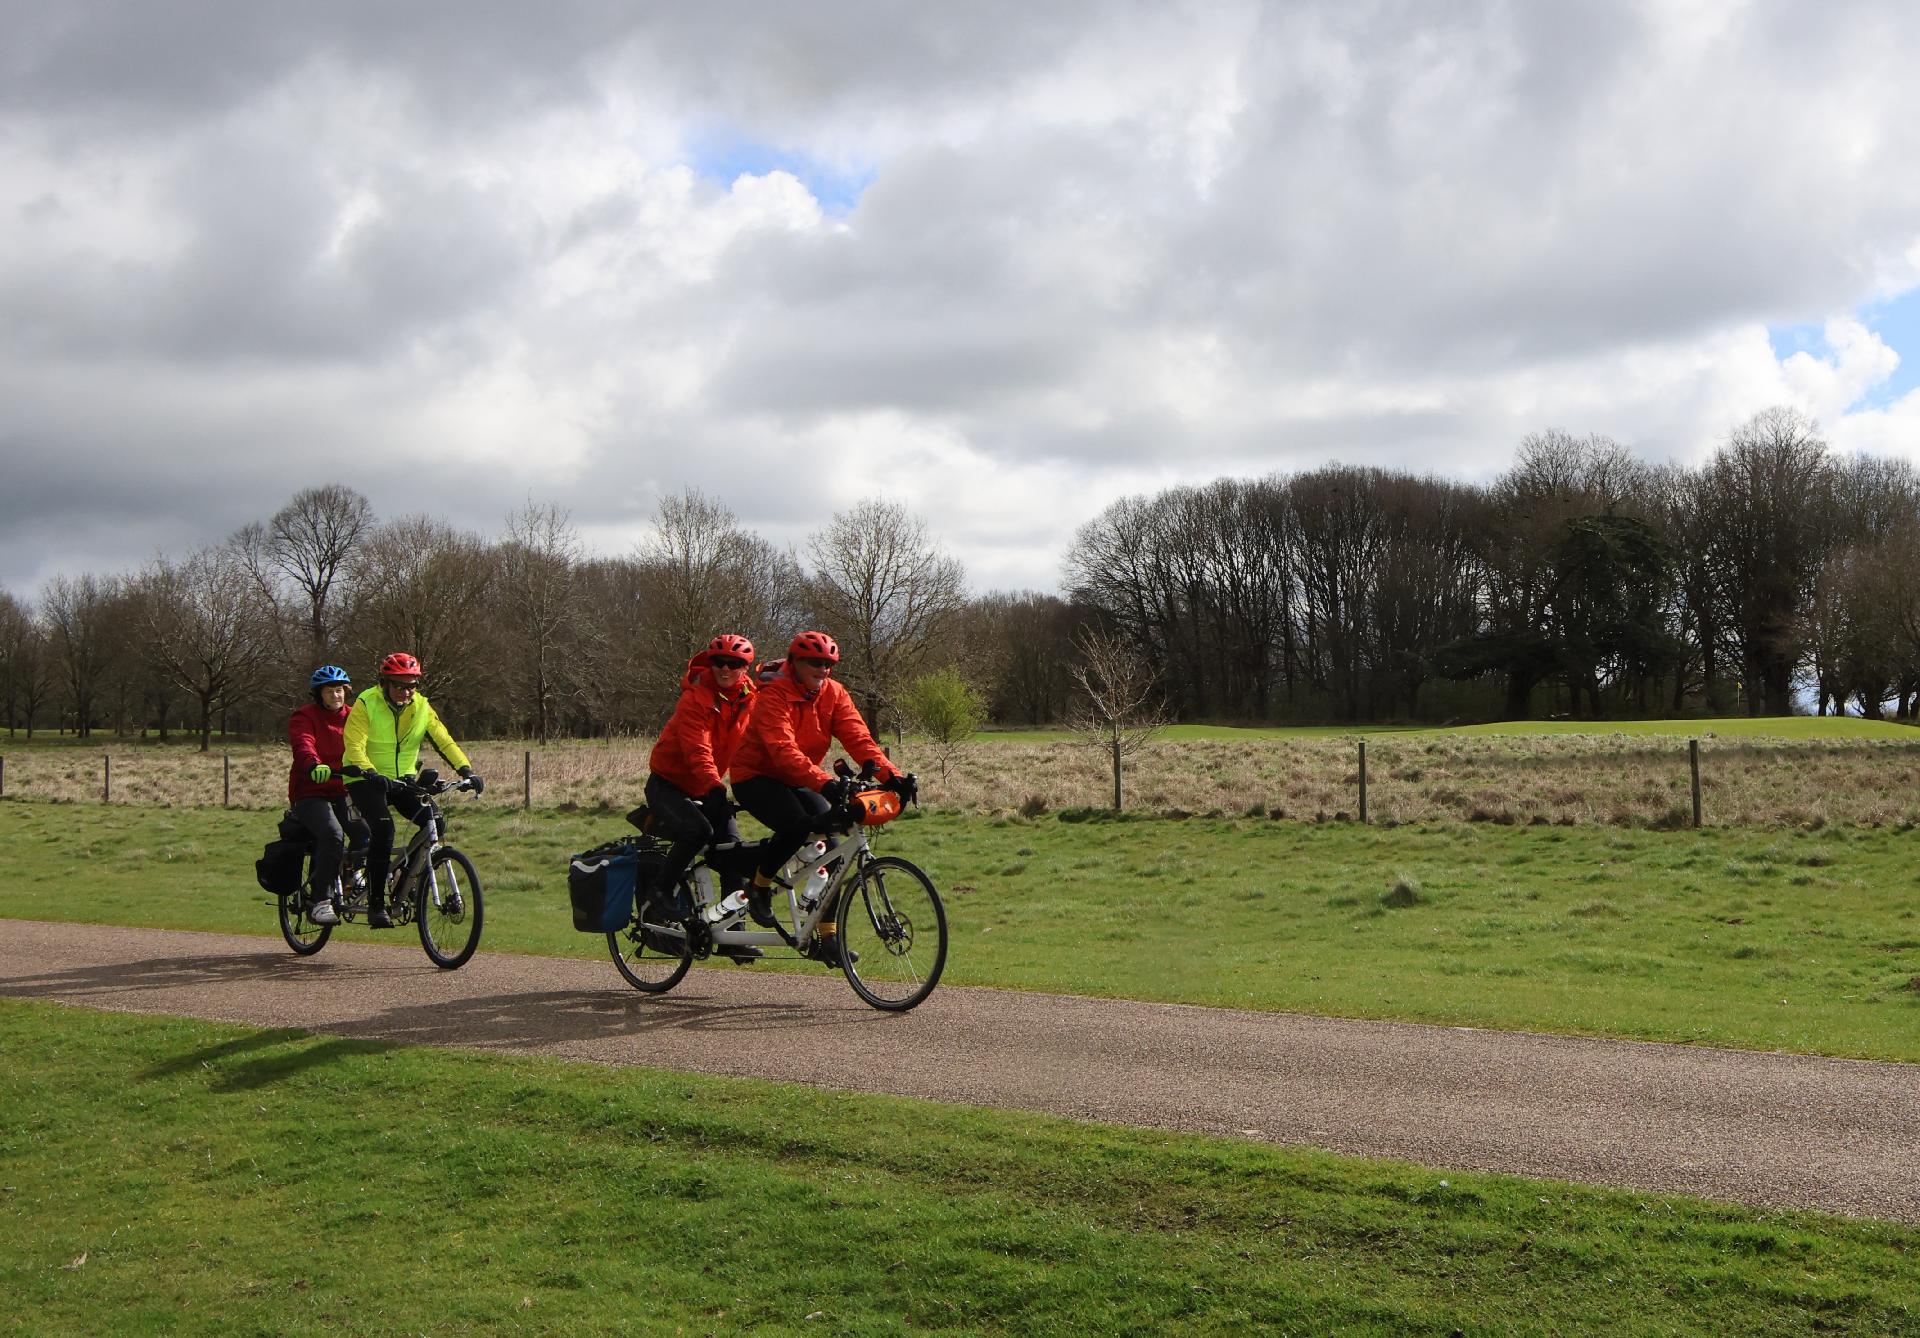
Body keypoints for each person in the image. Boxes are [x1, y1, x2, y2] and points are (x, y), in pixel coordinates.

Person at [730, 631, 897, 964]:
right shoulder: (773, 695)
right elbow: (782, 750)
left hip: (800, 776)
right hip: (756, 776)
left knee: (835, 850)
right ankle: (759, 887)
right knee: (796, 825)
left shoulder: (833, 694)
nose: (822, 670)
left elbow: (859, 739)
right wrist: (825, 783)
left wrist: (894, 778)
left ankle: (826, 938)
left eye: (828, 664)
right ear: (795, 663)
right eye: (815, 663)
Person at [341, 652, 483, 928]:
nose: (406, 691)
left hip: (402, 779)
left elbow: (444, 740)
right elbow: (354, 744)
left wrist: (467, 771)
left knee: (435, 823)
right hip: (364, 778)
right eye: (399, 685)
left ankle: (404, 881)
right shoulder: (367, 702)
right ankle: (376, 904)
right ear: (385, 683)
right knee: (384, 830)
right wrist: (369, 772)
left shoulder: (421, 707)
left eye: (412, 685)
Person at [643, 633, 757, 938]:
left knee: (734, 853)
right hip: (668, 784)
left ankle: (734, 932)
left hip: (706, 787)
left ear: (746, 667)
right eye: (718, 662)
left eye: (734, 664)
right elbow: (698, 748)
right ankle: (660, 890)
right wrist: (714, 786)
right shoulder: (695, 698)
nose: (725, 668)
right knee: (698, 831)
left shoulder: (750, 701)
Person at [286, 665, 369, 926]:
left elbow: (370, 744)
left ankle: (351, 877)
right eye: (330, 690)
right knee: (333, 834)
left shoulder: (354, 716)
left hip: (344, 788)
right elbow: (303, 743)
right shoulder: (305, 716)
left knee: (366, 831)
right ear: (319, 694)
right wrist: (312, 764)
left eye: (341, 690)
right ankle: (320, 901)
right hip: (311, 791)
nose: (336, 695)